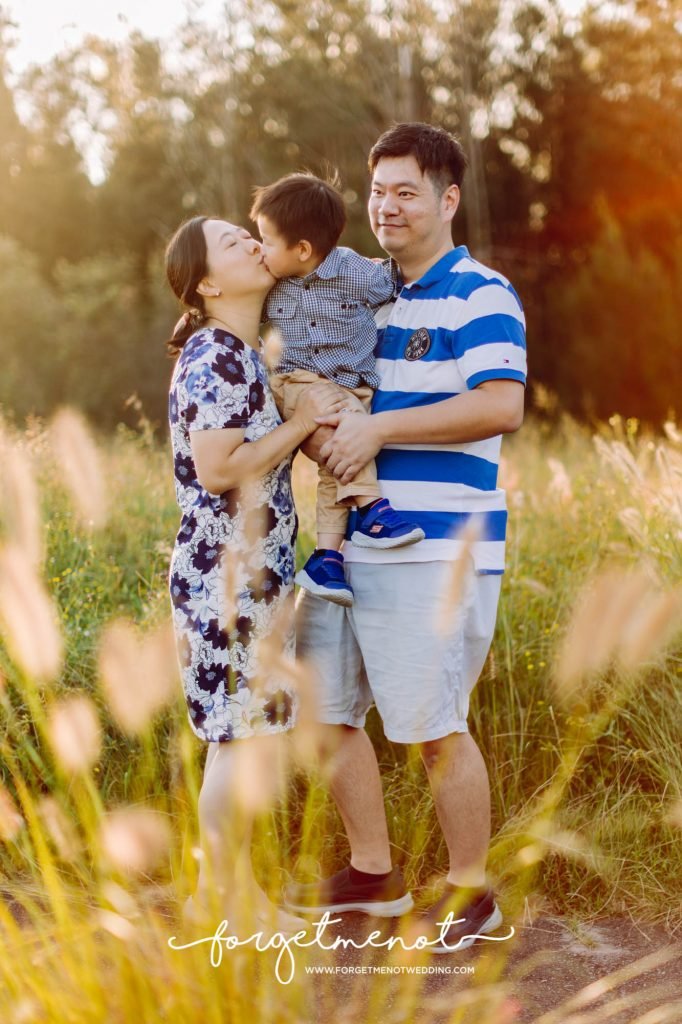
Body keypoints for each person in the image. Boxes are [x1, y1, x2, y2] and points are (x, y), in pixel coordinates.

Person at [286, 123, 527, 952]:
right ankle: (373, 874)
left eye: (405, 191)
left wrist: (382, 430)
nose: (385, 206)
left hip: (435, 546)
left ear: (447, 198)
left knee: (428, 726)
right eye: (376, 189)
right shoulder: (365, 294)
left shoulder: (480, 294)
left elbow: (501, 405)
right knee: (323, 708)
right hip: (347, 547)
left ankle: (473, 896)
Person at [165, 215, 346, 932]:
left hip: (250, 575)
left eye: (247, 232)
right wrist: (301, 423)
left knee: (239, 739)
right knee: (241, 739)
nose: (249, 239)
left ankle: (226, 900)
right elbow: (219, 470)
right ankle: (229, 905)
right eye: (230, 241)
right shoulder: (216, 355)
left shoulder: (238, 352)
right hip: (228, 577)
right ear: (207, 283)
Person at [250, 173, 424, 607]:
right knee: (342, 437)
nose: (260, 250)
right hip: (297, 383)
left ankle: (328, 556)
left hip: (352, 389)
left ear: (303, 250)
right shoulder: (269, 283)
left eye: (267, 241)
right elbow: (234, 314)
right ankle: (373, 508)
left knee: (335, 464)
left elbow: (394, 281)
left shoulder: (352, 270)